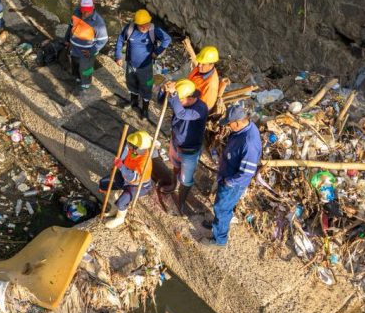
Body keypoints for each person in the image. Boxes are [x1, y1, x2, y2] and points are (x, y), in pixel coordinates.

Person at [202, 104, 261, 247]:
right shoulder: (243, 128)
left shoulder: (249, 143)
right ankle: (217, 224)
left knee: (223, 208)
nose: (228, 126)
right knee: (220, 205)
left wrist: (229, 181)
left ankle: (219, 239)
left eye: (229, 124)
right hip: (227, 173)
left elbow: (247, 173)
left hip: (233, 183)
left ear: (238, 122)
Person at [114, 9, 171, 121]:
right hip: (130, 64)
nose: (145, 27)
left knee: (146, 87)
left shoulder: (154, 30)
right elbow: (120, 39)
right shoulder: (130, 28)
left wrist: (157, 52)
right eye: (142, 25)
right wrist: (118, 56)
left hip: (146, 67)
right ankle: (134, 101)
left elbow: (167, 39)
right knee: (131, 83)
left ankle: (145, 110)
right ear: (136, 24)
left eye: (147, 24)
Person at [161, 79, 208, 215]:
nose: (178, 101)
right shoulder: (182, 101)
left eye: (181, 99)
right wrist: (164, 90)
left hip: (189, 151)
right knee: (175, 166)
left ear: (192, 97)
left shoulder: (200, 109)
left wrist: (175, 95)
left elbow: (181, 113)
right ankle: (173, 185)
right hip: (176, 143)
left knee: (186, 180)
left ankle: (181, 202)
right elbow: (164, 101)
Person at [98, 130, 153, 229]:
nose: (129, 146)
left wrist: (121, 166)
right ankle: (114, 207)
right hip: (125, 178)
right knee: (104, 183)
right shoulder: (134, 150)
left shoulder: (143, 163)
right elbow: (126, 150)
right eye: (130, 144)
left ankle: (120, 218)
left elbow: (132, 177)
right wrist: (120, 160)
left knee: (122, 201)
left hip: (137, 185)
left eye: (131, 145)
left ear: (138, 148)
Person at [64, 0, 108, 94]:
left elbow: (103, 40)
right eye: (83, 11)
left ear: (93, 8)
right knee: (75, 65)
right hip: (74, 48)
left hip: (86, 52)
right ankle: (78, 79)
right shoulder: (76, 13)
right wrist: (66, 39)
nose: (85, 13)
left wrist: (91, 51)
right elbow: (70, 27)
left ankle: (85, 85)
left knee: (86, 69)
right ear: (80, 8)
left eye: (88, 11)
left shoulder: (98, 23)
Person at [187, 45, 220, 111]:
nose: (199, 65)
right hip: (189, 92)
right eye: (199, 62)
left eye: (203, 64)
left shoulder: (210, 86)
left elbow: (204, 108)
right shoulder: (202, 69)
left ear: (211, 64)